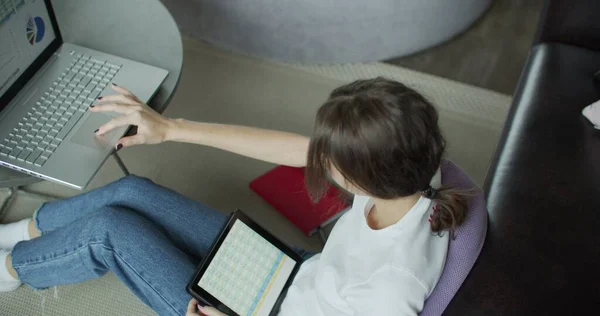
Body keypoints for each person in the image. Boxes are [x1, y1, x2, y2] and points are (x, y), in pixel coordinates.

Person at [0, 78, 470, 316]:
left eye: (330, 157)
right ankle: (21, 230)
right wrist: (171, 129)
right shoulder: (410, 159)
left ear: (361, 176)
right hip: (295, 269)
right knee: (131, 191)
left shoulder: (391, 289)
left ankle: (9, 269)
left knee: (110, 231)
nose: (316, 158)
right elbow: (289, 147)